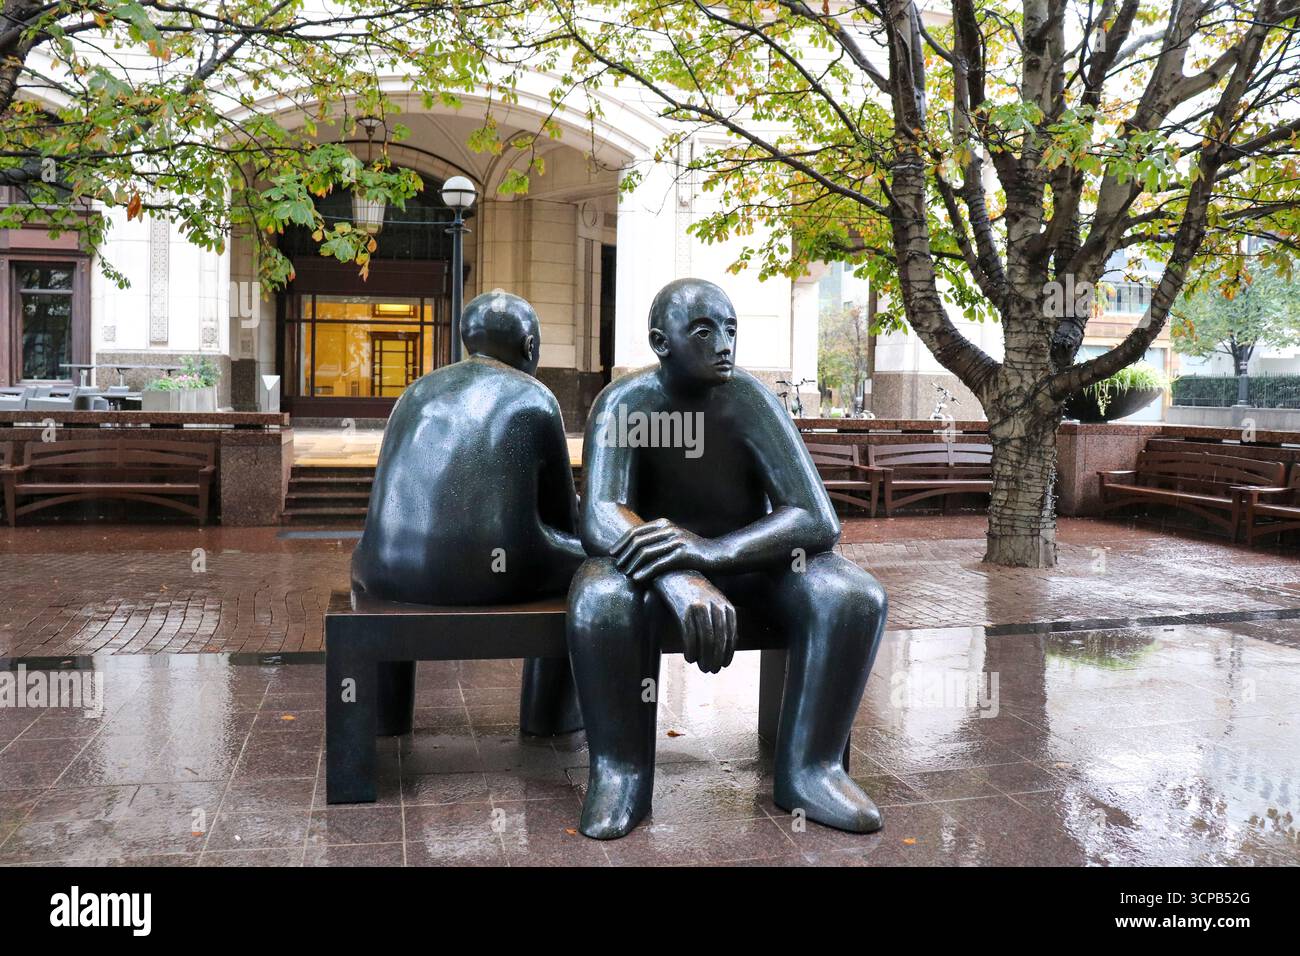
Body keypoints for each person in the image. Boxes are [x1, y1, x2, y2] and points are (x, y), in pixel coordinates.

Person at [568, 278, 888, 839]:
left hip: (752, 564)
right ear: (660, 343)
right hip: (652, 575)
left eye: (731, 329)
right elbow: (599, 515)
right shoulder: (625, 403)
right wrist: (680, 573)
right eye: (704, 330)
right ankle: (621, 772)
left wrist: (714, 553)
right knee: (600, 596)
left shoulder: (750, 399)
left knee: (853, 596)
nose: (724, 344)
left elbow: (816, 519)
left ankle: (812, 770)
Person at [351, 290, 584, 735]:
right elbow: (564, 520)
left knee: (380, 567)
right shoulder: (536, 398)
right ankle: (549, 716)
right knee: (590, 565)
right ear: (529, 347)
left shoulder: (415, 392)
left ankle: (386, 715)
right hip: (491, 571)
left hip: (388, 568)